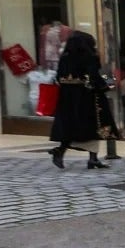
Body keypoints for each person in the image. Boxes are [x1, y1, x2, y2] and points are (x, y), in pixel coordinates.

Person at [49, 33, 112, 169]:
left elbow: (59, 76)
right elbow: (94, 76)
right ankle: (92, 157)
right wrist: (108, 84)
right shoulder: (90, 57)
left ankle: (63, 151)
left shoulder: (65, 57)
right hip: (87, 97)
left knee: (70, 126)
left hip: (67, 98)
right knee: (93, 125)